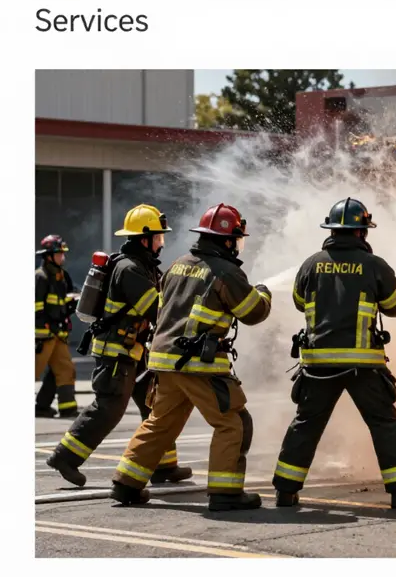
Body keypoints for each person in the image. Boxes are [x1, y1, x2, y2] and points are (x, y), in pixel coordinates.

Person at [111, 203, 271, 510]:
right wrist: (263, 292)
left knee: (161, 422)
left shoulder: (178, 264)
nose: (237, 245)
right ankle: (226, 493)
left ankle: (125, 483)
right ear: (226, 240)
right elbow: (254, 312)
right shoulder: (226, 271)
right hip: (198, 365)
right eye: (236, 238)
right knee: (234, 422)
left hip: (163, 361)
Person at [271, 198, 396, 510]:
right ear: (362, 232)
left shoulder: (311, 264)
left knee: (306, 424)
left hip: (317, 365)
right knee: (384, 424)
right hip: (362, 366)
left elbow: (300, 302)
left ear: (332, 230)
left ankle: (285, 491)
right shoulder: (374, 265)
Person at [46, 205, 192, 488]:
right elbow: (156, 310)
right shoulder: (130, 269)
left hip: (135, 352)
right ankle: (65, 457)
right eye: (158, 238)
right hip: (117, 352)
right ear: (143, 238)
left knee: (156, 406)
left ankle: (163, 465)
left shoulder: (144, 266)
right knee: (109, 407)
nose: (161, 243)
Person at [35, 235, 79, 418]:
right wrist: (44, 326)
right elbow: (36, 306)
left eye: (63, 254)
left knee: (65, 370)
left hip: (57, 334)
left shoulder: (61, 277)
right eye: (59, 254)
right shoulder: (41, 277)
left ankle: (67, 408)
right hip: (42, 336)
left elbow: (64, 300)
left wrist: (74, 301)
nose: (63, 257)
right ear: (48, 256)